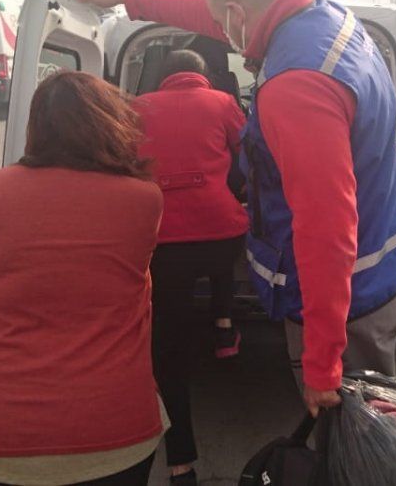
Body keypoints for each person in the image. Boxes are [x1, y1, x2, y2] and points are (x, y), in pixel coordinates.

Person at [66, 0, 396, 419]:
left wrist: (321, 365)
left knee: (352, 447)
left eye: (223, 23)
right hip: (394, 274)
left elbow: (327, 231)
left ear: (237, 13)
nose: (223, 34)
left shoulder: (295, 85)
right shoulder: (330, 22)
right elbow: (210, 12)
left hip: (355, 308)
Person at [0, 71, 166, 486]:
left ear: (35, 127)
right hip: (116, 426)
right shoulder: (144, 200)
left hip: (1, 433)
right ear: (111, 124)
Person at [133, 50, 248, 485]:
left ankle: (180, 464)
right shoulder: (223, 102)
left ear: (162, 78)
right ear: (203, 77)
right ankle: (224, 324)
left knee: (169, 351)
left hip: (162, 242)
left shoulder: (135, 109)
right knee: (224, 229)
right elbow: (248, 157)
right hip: (221, 237)